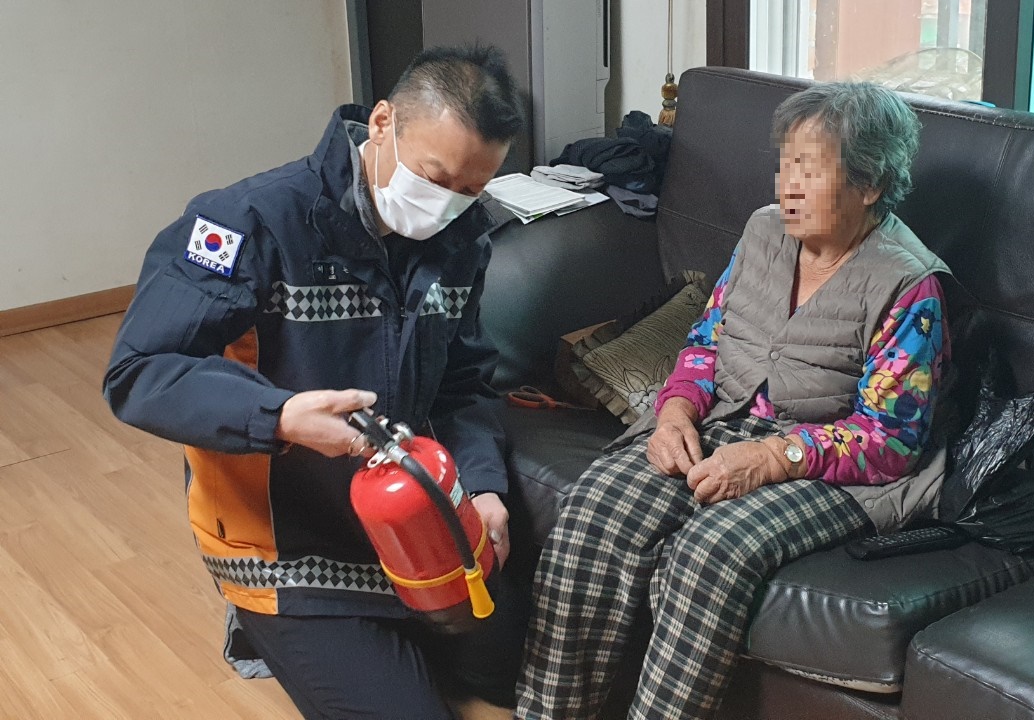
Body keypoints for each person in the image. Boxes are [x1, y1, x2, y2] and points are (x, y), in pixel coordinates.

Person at [104, 45, 527, 720]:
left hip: (413, 519)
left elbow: (464, 383)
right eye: (434, 176)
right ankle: (275, 624)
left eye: (471, 190)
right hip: (291, 545)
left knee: (515, 671)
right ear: (382, 123)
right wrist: (276, 416)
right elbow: (141, 369)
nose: (447, 204)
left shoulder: (461, 242)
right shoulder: (248, 222)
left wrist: (482, 484)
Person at [516, 82, 952, 720]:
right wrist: (675, 411)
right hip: (725, 421)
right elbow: (706, 340)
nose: (789, 185)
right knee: (595, 508)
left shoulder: (911, 285)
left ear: (870, 185)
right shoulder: (762, 231)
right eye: (786, 164)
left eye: (812, 170)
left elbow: (890, 441)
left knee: (709, 553)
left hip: (831, 467)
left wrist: (773, 457)